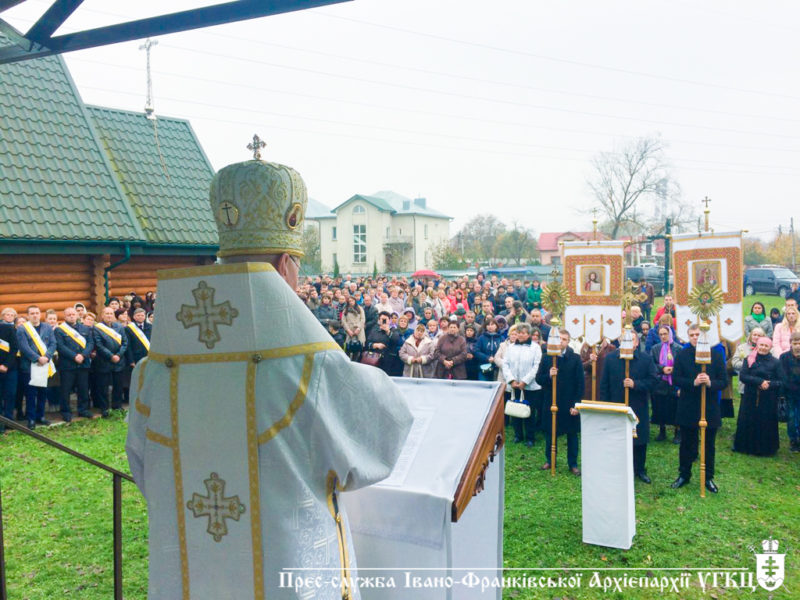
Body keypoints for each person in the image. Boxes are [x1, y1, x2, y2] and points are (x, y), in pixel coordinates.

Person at [126, 153, 412, 600]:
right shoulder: (311, 367)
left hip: (189, 572)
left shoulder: (152, 371)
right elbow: (379, 441)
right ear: (285, 264)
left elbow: (146, 470)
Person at [670, 323, 728, 493]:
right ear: (688, 337)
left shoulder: (716, 356)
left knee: (709, 443)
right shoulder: (682, 354)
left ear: (705, 336)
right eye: (692, 335)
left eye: (698, 334)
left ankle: (708, 477)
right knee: (687, 442)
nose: (696, 337)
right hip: (688, 404)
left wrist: (710, 383)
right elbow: (676, 378)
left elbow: (723, 381)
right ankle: (684, 474)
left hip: (709, 406)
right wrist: (693, 383)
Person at [599, 331, 658, 483]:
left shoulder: (645, 359)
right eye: (625, 339)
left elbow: (653, 381)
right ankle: (618, 468)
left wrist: (635, 384)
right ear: (619, 341)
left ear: (637, 343)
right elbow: (604, 384)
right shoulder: (611, 359)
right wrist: (606, 406)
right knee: (618, 439)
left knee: (639, 438)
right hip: (617, 404)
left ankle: (639, 469)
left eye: (631, 340)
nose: (628, 342)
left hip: (638, 405)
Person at [535, 329, 584, 475]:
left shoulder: (575, 358)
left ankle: (573, 463)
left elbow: (580, 383)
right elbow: (539, 379)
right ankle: (550, 460)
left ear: (568, 341)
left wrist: (577, 404)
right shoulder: (546, 358)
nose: (561, 341)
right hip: (552, 401)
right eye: (558, 339)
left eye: (564, 339)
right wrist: (549, 376)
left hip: (569, 402)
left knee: (572, 434)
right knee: (551, 433)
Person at [734, 337, 781, 456]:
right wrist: (759, 381)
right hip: (750, 396)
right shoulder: (749, 359)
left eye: (766, 346)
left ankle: (765, 449)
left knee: (765, 423)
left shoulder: (776, 362)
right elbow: (743, 376)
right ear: (757, 346)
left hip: (768, 398)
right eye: (761, 345)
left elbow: (781, 381)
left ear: (770, 347)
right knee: (749, 420)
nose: (763, 348)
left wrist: (769, 384)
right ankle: (746, 447)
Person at [502, 323, 542, 447]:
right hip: (514, 385)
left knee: (529, 411)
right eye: (518, 332)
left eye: (523, 333)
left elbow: (536, 366)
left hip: (529, 386)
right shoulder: (511, 347)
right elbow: (505, 364)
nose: (520, 335)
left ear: (529, 334)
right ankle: (518, 435)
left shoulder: (535, 348)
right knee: (515, 410)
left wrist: (525, 381)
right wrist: (511, 380)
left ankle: (530, 437)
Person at [16, 305, 56, 429]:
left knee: (43, 393)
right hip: (29, 366)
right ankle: (31, 419)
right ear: (28, 315)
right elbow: (24, 347)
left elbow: (53, 343)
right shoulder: (22, 329)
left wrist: (46, 357)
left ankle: (41, 416)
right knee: (30, 394)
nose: (35, 315)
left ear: (40, 314)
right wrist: (38, 358)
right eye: (32, 313)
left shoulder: (47, 327)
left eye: (37, 313)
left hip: (44, 365)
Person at [54, 306, 94, 421]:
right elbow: (60, 346)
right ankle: (66, 411)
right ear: (65, 316)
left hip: (83, 363)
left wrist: (83, 355)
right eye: (69, 315)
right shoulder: (60, 330)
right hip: (68, 364)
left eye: (73, 314)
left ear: (77, 315)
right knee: (65, 390)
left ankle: (83, 410)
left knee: (83, 388)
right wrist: (74, 356)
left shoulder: (85, 328)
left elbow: (90, 343)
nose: (71, 316)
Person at [93, 306, 128, 415]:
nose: (109, 316)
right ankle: (104, 408)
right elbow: (99, 345)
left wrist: (118, 355)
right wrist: (111, 356)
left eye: (111, 314)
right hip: (104, 361)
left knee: (118, 385)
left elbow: (125, 343)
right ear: (102, 315)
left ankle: (117, 406)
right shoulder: (97, 328)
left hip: (119, 361)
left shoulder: (119, 327)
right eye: (107, 313)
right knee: (103, 386)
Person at [651, 324, 683, 443]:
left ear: (670, 334)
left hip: (674, 382)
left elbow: (681, 364)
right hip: (661, 382)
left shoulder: (678, 348)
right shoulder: (655, 348)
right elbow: (652, 364)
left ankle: (677, 432)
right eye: (661, 334)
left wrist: (674, 369)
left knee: (675, 407)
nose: (663, 336)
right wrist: (662, 369)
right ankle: (662, 430)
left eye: (665, 334)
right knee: (660, 406)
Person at [779, 332, 800, 452]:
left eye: (799, 343)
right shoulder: (784, 357)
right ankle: (793, 439)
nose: (798, 346)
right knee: (791, 417)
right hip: (790, 393)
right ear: (790, 344)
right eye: (795, 343)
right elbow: (783, 376)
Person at [366, 312, 402, 376]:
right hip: (374, 359)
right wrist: (375, 345)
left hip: (388, 361)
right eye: (382, 319)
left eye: (385, 319)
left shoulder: (394, 330)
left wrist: (388, 331)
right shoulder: (374, 330)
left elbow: (396, 340)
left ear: (389, 320)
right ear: (379, 320)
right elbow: (367, 343)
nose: (383, 321)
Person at [0, 316, 18, 433]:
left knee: (10, 395)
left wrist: (6, 365)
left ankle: (9, 421)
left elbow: (14, 348)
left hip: (10, 369)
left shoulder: (8, 328)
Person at [474, 317, 503, 382]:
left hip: (497, 368)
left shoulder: (501, 338)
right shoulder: (481, 338)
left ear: (496, 326)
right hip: (484, 367)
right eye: (488, 325)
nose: (490, 326)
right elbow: (476, 351)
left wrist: (496, 359)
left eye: (492, 324)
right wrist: (487, 358)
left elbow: (504, 352)